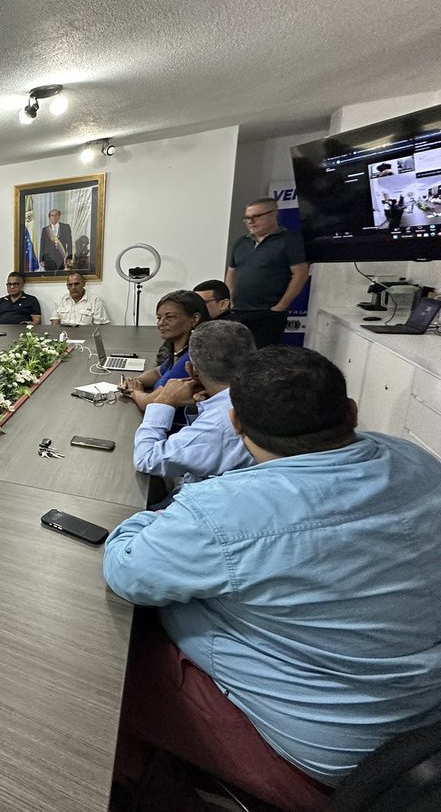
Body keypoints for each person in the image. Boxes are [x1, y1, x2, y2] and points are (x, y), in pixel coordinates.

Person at [103, 346, 441, 809]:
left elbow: (125, 567)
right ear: (351, 411)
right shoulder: (418, 461)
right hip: (426, 719)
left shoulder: (226, 510)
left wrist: (145, 519)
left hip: (333, 754)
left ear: (235, 423)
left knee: (107, 669)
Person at [132, 320, 255, 486]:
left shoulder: (220, 421)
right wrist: (194, 408)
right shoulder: (256, 392)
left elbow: (147, 460)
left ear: (192, 369)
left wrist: (163, 402)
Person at [225, 197, 309, 348]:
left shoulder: (289, 240)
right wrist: (230, 300)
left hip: (267, 314)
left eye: (256, 216)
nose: (250, 221)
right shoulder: (241, 242)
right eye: (247, 218)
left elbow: (300, 274)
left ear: (274, 214)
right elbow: (231, 272)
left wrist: (281, 306)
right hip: (238, 312)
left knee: (263, 359)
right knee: (235, 355)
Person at [120, 291, 209, 411]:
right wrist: (134, 381)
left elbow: (151, 404)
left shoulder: (191, 359)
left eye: (170, 317)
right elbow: (159, 372)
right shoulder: (179, 349)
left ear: (194, 319)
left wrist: (134, 391)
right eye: (159, 317)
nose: (161, 323)